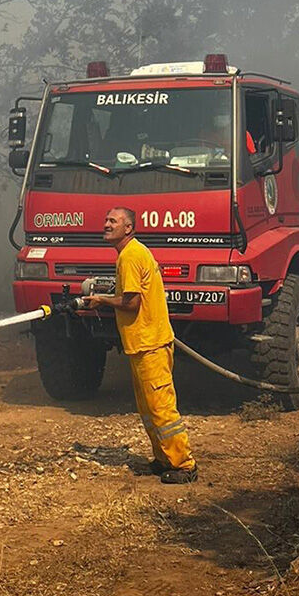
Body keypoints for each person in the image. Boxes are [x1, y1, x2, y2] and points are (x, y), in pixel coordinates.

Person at [85, 207, 199, 484]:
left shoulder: (131, 255)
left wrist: (101, 299)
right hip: (141, 344)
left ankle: (184, 465)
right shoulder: (129, 254)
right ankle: (164, 459)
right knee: (148, 407)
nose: (106, 223)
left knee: (161, 407)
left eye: (113, 220)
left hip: (150, 343)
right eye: (106, 219)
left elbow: (131, 302)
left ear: (128, 228)